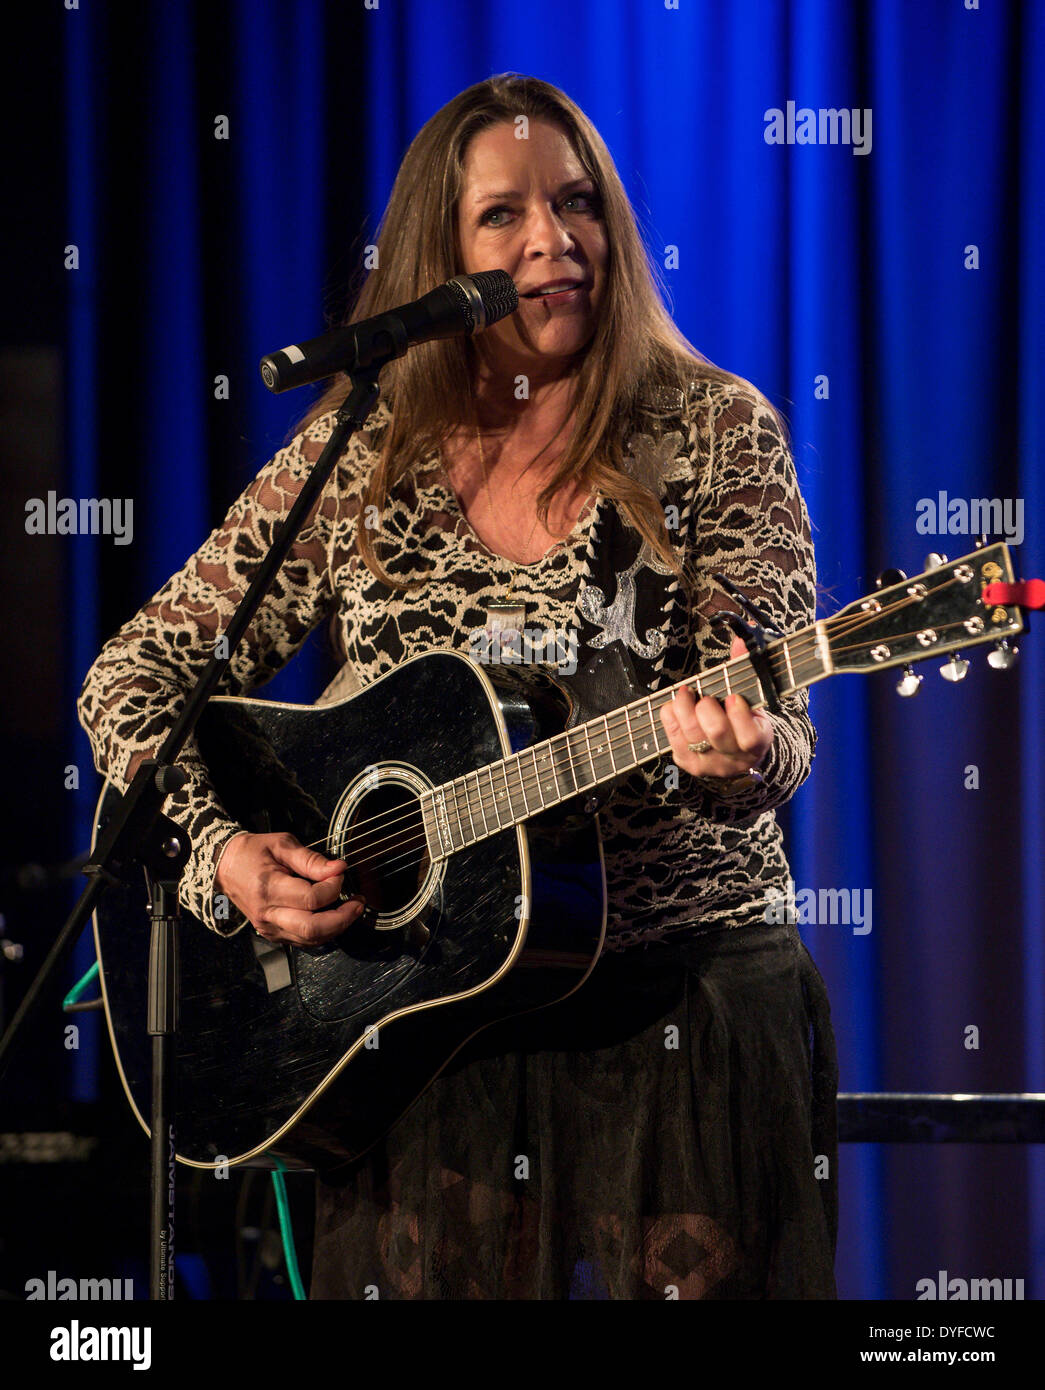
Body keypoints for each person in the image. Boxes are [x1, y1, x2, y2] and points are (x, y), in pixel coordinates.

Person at [78, 74, 837, 1299]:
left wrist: (736, 759)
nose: (553, 240)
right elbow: (132, 676)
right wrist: (222, 851)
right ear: (441, 253)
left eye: (579, 203)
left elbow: (773, 722)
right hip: (421, 1031)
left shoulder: (710, 429)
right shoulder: (368, 451)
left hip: (676, 1015)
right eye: (503, 216)